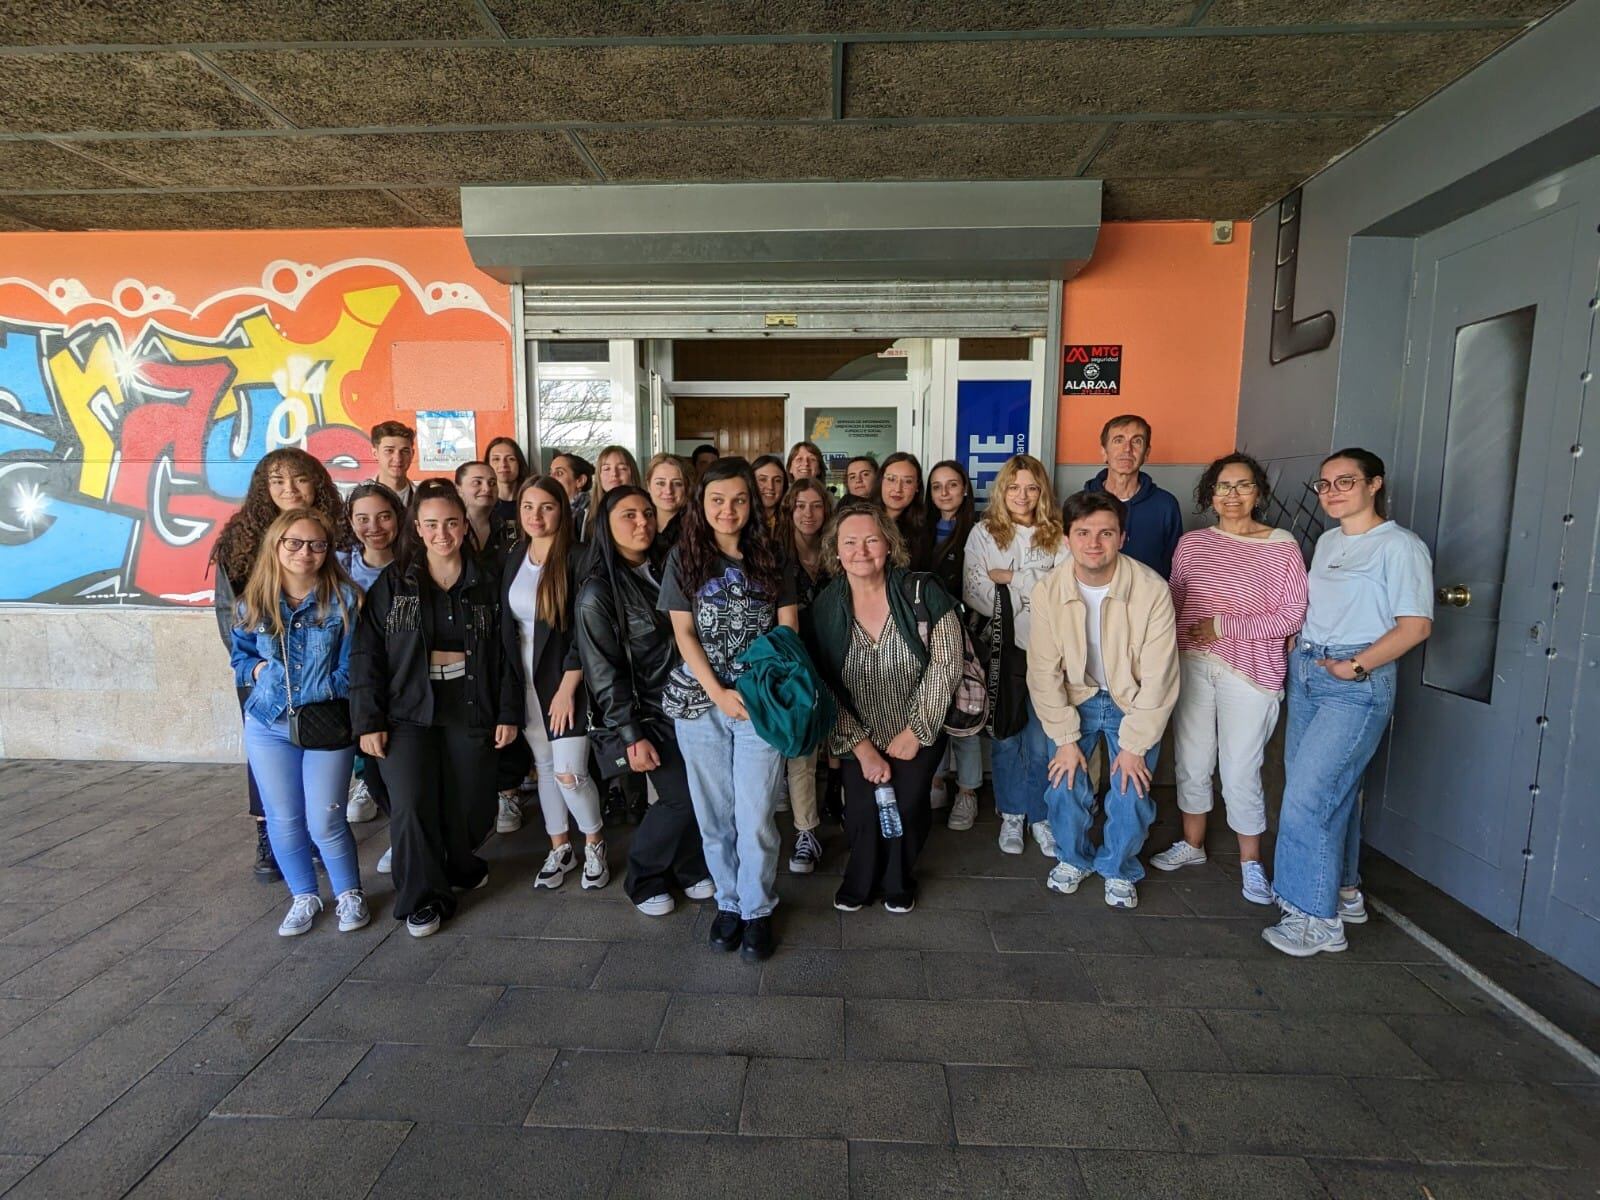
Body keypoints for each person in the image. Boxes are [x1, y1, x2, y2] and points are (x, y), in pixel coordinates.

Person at [1264, 449, 1433, 957]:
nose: (1333, 491)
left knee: (1308, 797)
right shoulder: (1331, 540)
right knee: (1329, 790)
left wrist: (1355, 666)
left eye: (1346, 482)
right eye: (1325, 484)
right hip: (1312, 671)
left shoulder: (1399, 547)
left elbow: (1416, 626)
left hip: (1355, 681)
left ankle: (1315, 919)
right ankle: (1342, 890)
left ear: (1374, 484)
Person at [350, 480, 521, 938]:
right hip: (407, 710)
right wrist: (369, 720)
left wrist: (507, 711)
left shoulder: (489, 580)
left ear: (465, 525)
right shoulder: (396, 582)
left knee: (471, 803)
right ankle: (423, 898)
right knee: (410, 804)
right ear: (417, 529)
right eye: (431, 524)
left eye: (450, 522)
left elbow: (507, 653)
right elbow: (366, 655)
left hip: (470, 702)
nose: (442, 533)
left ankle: (461, 863)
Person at [1153, 454, 1308, 906]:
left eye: (1243, 486)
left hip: (1252, 670)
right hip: (1193, 663)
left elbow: (1290, 615)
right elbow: (1176, 603)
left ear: (1258, 492)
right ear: (1210, 494)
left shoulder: (1282, 546)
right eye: (1223, 487)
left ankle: (1250, 863)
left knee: (1240, 768)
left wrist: (1223, 626)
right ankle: (1193, 845)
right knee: (1193, 760)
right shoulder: (1192, 544)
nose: (1233, 495)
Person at [660, 457, 798, 963]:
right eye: (717, 499)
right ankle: (730, 902)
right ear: (702, 503)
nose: (729, 509)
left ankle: (759, 908)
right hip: (699, 703)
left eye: (739, 499)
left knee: (756, 813)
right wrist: (718, 692)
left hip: (761, 703)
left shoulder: (772, 555)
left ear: (752, 503)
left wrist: (763, 689)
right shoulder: (684, 557)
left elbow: (787, 631)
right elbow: (683, 632)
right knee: (714, 815)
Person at [807, 502, 963, 915]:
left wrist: (915, 731)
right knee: (859, 811)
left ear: (889, 546)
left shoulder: (921, 591)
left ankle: (898, 878)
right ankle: (860, 878)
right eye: (850, 542)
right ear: (836, 552)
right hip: (856, 731)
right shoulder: (825, 607)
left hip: (916, 726)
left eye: (872, 540)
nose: (862, 550)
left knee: (908, 803)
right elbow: (821, 683)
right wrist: (861, 747)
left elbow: (947, 663)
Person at [1029, 490, 1180, 910]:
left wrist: (1134, 747)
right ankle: (1073, 858)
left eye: (1105, 533)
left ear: (1123, 537)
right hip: (1074, 697)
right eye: (1083, 533)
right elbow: (1043, 671)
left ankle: (1118, 867)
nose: (1094, 543)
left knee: (1131, 790)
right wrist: (1063, 737)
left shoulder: (1151, 590)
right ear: (1066, 538)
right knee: (1063, 786)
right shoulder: (1048, 590)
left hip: (1131, 701)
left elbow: (1160, 678)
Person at [230, 507, 368, 937]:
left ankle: (349, 894)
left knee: (325, 818)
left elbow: (353, 671)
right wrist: (258, 673)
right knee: (282, 818)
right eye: (295, 543)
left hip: (325, 722)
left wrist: (308, 689)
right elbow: (240, 658)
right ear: (277, 544)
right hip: (268, 723)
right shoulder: (252, 601)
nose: (305, 552)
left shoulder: (346, 601)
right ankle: (304, 896)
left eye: (316, 544)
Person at [575, 486, 712, 916]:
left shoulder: (667, 567)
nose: (642, 523)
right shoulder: (598, 593)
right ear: (607, 526)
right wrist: (631, 734)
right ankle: (643, 876)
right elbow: (603, 674)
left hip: (691, 703)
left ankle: (688, 868)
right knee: (679, 798)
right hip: (649, 711)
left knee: (700, 794)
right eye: (628, 516)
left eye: (647, 513)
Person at [210, 448, 344, 880]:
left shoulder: (335, 530)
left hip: (322, 669)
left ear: (316, 483)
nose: (290, 489)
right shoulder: (240, 538)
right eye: (278, 481)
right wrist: (253, 670)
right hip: (267, 668)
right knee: (267, 759)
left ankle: (320, 833)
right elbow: (229, 613)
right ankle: (270, 833)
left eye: (300, 479)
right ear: (264, 488)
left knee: (321, 745)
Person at [964, 454, 1069, 857]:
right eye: (1013, 487)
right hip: (1000, 650)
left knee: (1044, 740)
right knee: (1006, 737)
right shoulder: (984, 534)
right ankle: (1010, 815)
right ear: (1001, 491)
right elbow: (976, 592)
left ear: (1042, 490)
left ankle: (1040, 817)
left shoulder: (1059, 535)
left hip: (1049, 652)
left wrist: (1009, 579)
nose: (1022, 496)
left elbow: (1064, 593)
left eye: (1030, 487)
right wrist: (1035, 586)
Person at [505, 476, 607, 890]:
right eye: (528, 507)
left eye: (546, 506)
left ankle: (595, 841)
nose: (536, 515)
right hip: (525, 680)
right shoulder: (515, 556)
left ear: (562, 511)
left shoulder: (579, 558)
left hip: (566, 681)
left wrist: (568, 687)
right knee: (545, 767)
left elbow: (589, 629)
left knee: (569, 772)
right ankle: (560, 846)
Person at [337, 482, 403, 839]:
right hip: (348, 682)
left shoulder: (414, 568)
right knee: (367, 767)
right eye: (363, 518)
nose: (374, 527)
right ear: (350, 521)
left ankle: (402, 836)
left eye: (383, 516)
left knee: (397, 772)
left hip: (397, 686)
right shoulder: (337, 570)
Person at [776, 477, 834, 874]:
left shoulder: (837, 552)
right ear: (789, 510)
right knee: (802, 751)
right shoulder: (776, 556)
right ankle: (805, 832)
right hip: (794, 662)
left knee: (841, 747)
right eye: (800, 506)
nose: (808, 514)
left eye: (816, 506)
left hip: (839, 659)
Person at [926, 459, 982, 832]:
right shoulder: (919, 531)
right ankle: (935, 779)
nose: (944, 493)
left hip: (965, 634)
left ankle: (968, 792)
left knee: (964, 712)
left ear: (965, 490)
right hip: (925, 636)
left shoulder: (980, 531)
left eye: (952, 485)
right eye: (937, 487)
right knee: (932, 709)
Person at [1083, 414, 1182, 579]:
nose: (1127, 449)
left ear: (1147, 452)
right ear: (1104, 451)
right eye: (1118, 440)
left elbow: (1173, 568)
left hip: (1149, 601)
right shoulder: (1081, 503)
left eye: (1137, 441)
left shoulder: (1166, 505)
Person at [878, 452, 929, 571]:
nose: (898, 489)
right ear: (881, 481)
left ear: (917, 486)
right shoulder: (861, 517)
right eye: (891, 479)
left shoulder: (923, 529)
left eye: (908, 481)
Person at [484, 436, 529, 536]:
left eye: (510, 459)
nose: (503, 464)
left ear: (519, 464)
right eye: (496, 459)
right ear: (487, 465)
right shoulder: (483, 505)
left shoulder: (531, 503)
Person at [645, 453, 690, 549]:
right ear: (649, 486)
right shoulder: (639, 522)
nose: (669, 491)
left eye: (677, 483)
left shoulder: (696, 528)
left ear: (687, 487)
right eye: (661, 483)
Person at [369, 421, 416, 507]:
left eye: (404, 451)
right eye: (389, 451)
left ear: (412, 454)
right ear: (375, 454)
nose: (398, 458)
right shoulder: (356, 499)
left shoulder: (425, 499)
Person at [551, 452, 595, 539]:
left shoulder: (593, 515)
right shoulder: (553, 510)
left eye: (559, 473)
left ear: (580, 480)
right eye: (551, 473)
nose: (551, 478)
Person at [752, 454, 789, 532]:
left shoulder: (791, 520)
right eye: (762, 479)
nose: (770, 487)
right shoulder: (742, 521)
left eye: (777, 480)